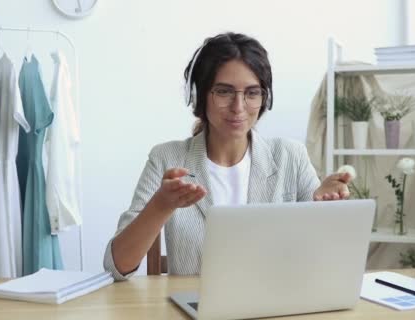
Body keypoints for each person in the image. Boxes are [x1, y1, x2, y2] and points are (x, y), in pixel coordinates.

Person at [104, 32, 351, 280]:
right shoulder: (167, 158)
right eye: (224, 92)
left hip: (274, 307)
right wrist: (161, 206)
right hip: (194, 309)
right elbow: (117, 266)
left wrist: (325, 207)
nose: (239, 107)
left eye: (252, 93)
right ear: (200, 95)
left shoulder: (290, 156)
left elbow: (322, 256)